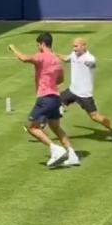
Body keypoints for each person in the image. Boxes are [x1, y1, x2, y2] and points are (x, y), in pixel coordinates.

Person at [9, 33, 80, 167]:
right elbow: (61, 79)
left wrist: (12, 48)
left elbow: (23, 58)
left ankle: (54, 148)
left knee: (31, 127)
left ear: (42, 44)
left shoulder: (41, 57)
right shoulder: (57, 59)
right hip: (55, 98)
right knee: (56, 127)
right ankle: (72, 155)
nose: (37, 48)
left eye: (38, 45)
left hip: (44, 98)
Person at [56, 38, 112, 145]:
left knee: (95, 117)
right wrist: (51, 53)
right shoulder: (74, 55)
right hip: (72, 90)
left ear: (84, 46)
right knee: (55, 100)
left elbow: (92, 63)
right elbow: (66, 58)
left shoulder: (89, 58)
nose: (74, 48)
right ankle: (43, 121)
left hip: (84, 95)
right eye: (73, 46)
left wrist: (89, 63)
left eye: (76, 46)